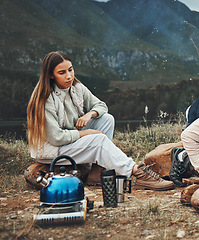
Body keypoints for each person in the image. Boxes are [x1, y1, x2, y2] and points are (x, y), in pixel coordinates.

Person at [27, 51, 175, 191]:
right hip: (51, 149)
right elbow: (56, 137)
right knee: (98, 140)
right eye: (62, 72)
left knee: (106, 119)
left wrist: (89, 114)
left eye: (70, 70)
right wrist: (87, 133)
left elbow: (101, 105)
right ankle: (138, 173)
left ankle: (96, 173)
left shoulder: (76, 88)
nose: (69, 76)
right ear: (50, 75)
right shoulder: (45, 100)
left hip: (69, 137)